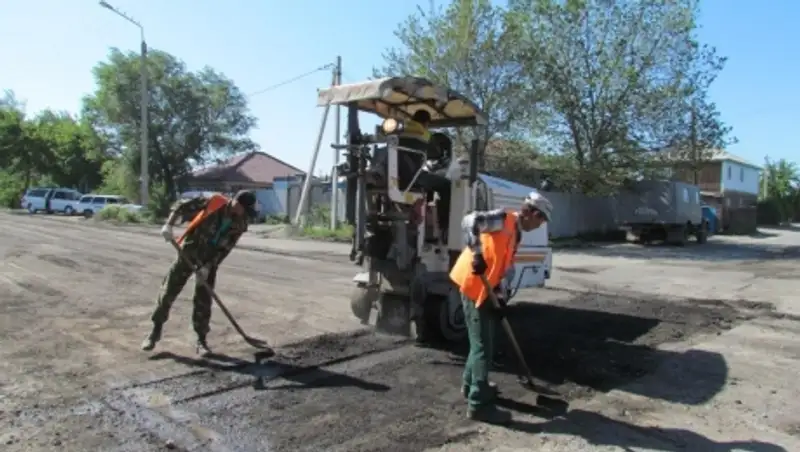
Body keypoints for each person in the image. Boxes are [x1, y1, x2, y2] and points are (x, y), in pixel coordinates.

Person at [449, 191, 553, 424]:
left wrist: (500, 294)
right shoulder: (502, 219)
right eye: (542, 219)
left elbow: (500, 265)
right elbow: (469, 221)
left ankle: (471, 385)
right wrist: (475, 254)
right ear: (533, 214)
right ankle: (479, 404)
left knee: (482, 342)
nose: (541, 225)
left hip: (486, 288)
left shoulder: (516, 234)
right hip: (472, 284)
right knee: (483, 346)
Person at [140, 190, 258, 356]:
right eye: (242, 208)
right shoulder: (214, 202)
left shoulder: (241, 222)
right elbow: (181, 206)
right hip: (189, 252)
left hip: (209, 260)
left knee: (203, 300)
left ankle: (201, 341)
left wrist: (209, 266)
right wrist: (169, 225)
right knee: (169, 291)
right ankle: (155, 331)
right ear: (236, 202)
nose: (243, 213)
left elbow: (226, 248)